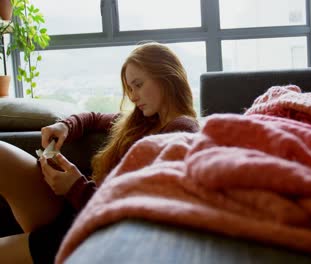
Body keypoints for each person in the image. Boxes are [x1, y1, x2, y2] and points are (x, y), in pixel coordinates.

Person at [0, 42, 199, 263]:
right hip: (82, 211)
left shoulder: (182, 130)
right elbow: (93, 117)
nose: (132, 96)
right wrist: (64, 127)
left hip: (101, 231)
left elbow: (141, 212)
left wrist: (76, 187)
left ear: (167, 76)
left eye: (138, 85)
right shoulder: (143, 122)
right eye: (130, 89)